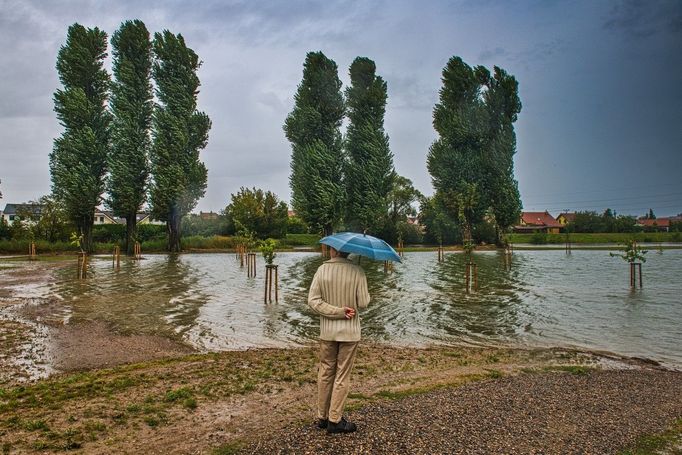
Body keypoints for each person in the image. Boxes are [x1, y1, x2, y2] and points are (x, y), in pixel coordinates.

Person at [307, 246, 370, 434]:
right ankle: (335, 420)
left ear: (334, 251)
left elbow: (313, 301)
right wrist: (343, 311)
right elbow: (363, 303)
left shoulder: (322, 270)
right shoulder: (358, 271)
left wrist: (334, 312)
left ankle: (322, 417)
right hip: (349, 333)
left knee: (326, 372)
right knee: (342, 374)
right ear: (349, 252)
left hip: (327, 332)